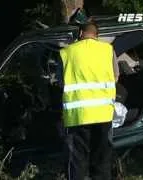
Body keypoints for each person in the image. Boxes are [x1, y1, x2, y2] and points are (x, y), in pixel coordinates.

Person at [59, 22, 119, 180]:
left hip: (77, 115)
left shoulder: (67, 52)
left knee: (77, 159)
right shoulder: (107, 50)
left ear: (80, 34)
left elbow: (60, 82)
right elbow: (116, 77)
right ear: (97, 36)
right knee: (102, 159)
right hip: (103, 114)